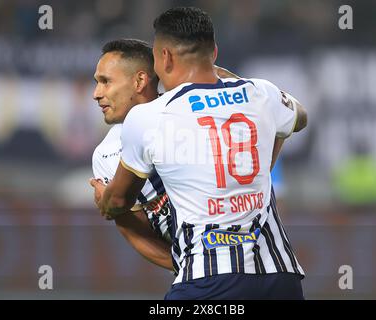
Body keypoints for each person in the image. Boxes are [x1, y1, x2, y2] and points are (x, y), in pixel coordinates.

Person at [93, 7, 307, 299]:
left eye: (104, 82)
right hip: (280, 275)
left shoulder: (150, 119)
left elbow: (116, 202)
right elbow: (298, 117)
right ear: (215, 52)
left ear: (164, 58)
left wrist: (105, 203)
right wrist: (262, 166)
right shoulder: (259, 93)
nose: (97, 93)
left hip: (207, 280)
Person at [91, 39, 176, 272]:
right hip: (201, 279)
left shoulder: (189, 113)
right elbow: (136, 233)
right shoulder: (106, 155)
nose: (96, 94)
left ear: (139, 81)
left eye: (105, 82)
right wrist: (189, 267)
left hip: (256, 257)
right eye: (97, 83)